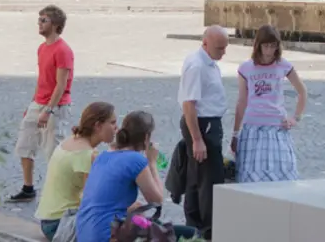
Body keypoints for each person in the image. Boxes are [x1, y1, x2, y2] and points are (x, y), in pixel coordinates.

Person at [76, 110, 194, 242]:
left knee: (147, 220)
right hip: (107, 236)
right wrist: (152, 163)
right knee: (189, 233)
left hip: (85, 233)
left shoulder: (102, 157)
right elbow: (157, 200)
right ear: (146, 137)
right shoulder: (136, 160)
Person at [9, 5, 74, 202]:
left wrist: (48, 110)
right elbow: (42, 80)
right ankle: (28, 188)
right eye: (39, 20)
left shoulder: (63, 50)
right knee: (25, 146)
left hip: (56, 107)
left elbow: (61, 85)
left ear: (55, 24)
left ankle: (61, 193)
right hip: (38, 104)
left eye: (43, 20)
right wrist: (32, 104)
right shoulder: (42, 48)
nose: (39, 23)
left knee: (53, 152)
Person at [232, 24, 307, 183]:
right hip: (252, 128)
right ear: (258, 45)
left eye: (273, 46)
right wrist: (235, 133)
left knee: (282, 175)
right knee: (251, 176)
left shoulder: (283, 65)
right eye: (266, 46)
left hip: (276, 128)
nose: (269, 51)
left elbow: (302, 91)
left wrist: (295, 118)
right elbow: (242, 101)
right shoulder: (246, 68)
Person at [36, 102, 117, 241]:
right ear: (98, 126)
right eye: (113, 123)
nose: (116, 128)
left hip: (49, 220)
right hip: (62, 224)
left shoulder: (69, 141)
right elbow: (94, 200)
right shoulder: (88, 154)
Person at [178, 25, 229, 240]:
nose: (223, 52)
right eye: (219, 48)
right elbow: (189, 104)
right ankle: (207, 230)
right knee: (209, 180)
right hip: (203, 124)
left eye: (225, 47)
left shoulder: (208, 61)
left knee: (198, 177)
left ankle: (196, 228)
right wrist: (197, 139)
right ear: (206, 43)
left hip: (207, 123)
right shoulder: (197, 66)